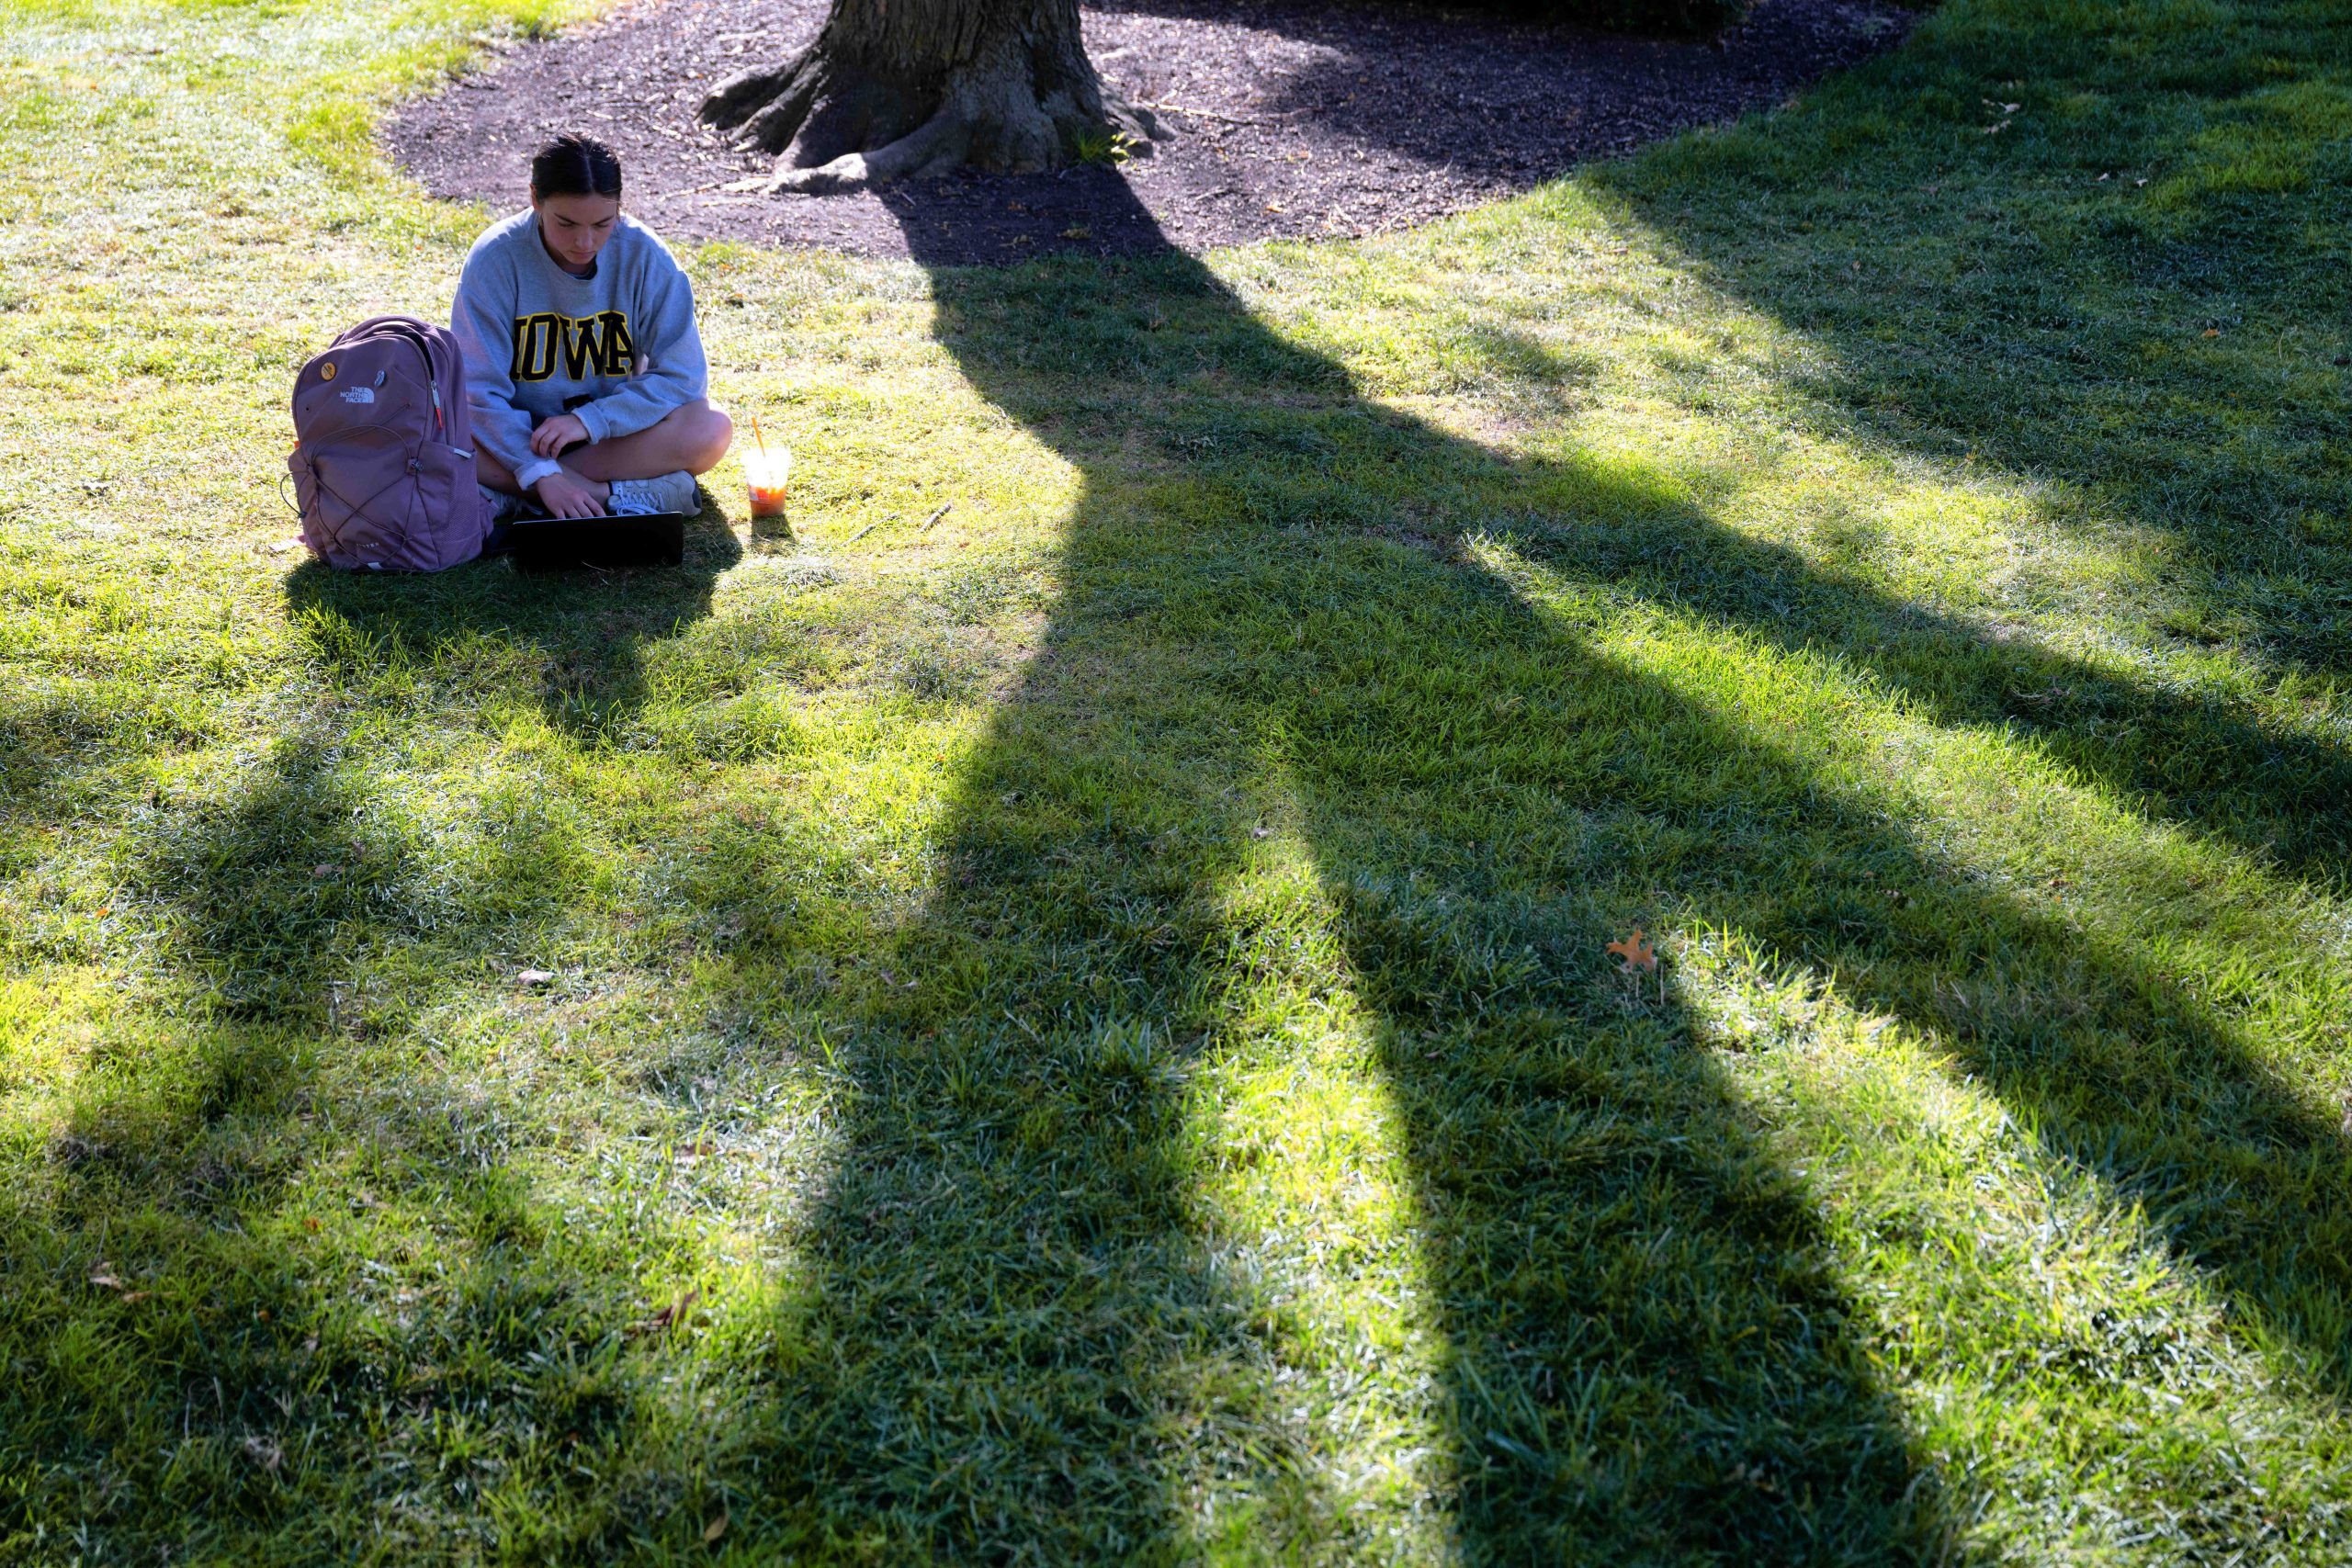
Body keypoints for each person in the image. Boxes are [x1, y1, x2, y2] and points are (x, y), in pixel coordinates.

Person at [452, 133, 732, 521]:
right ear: (536, 198)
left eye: (603, 223)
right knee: (435, 432)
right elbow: (477, 392)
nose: (584, 242)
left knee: (710, 428)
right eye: (565, 223)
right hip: (515, 440)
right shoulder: (495, 258)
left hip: (610, 438)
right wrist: (538, 467)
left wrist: (590, 421)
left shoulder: (645, 255)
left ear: (619, 208)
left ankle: (526, 495)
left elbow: (683, 376)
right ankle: (606, 495)